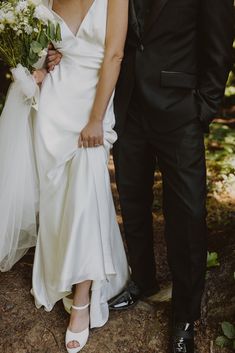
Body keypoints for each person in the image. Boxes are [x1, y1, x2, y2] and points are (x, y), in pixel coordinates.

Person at [48, 0, 234, 352]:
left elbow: (219, 43)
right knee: (133, 201)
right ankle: (143, 281)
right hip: (129, 103)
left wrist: (204, 108)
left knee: (188, 212)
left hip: (180, 110)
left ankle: (185, 314)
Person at [0, 1, 129, 352]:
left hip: (93, 104)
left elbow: (114, 55)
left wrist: (97, 118)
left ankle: (83, 300)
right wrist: (40, 66)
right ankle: (60, 271)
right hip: (54, 106)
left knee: (86, 195)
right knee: (59, 200)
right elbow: (41, 47)